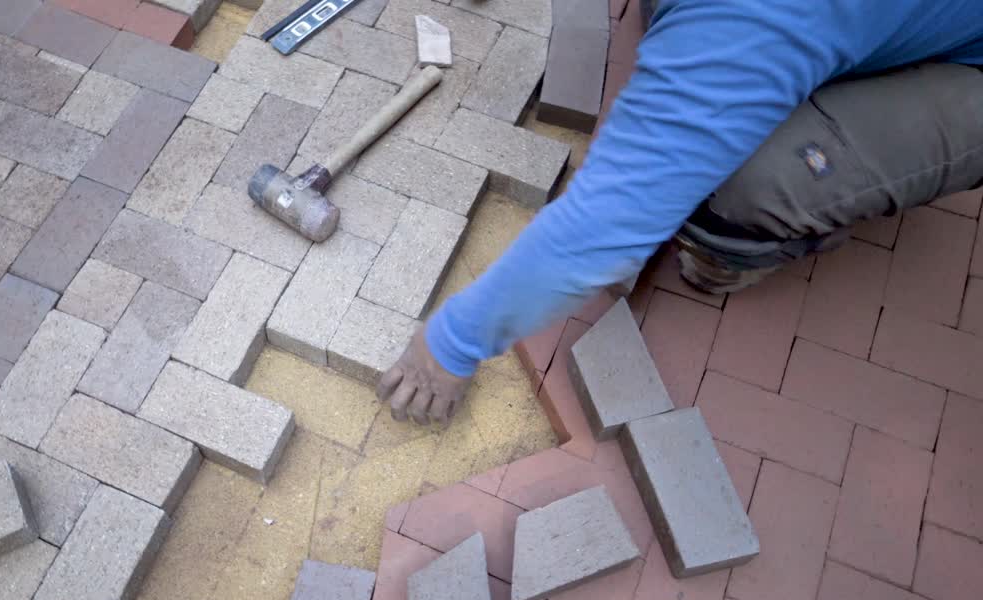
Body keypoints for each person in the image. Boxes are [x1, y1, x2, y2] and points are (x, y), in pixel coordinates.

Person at [378, 0, 983, 425]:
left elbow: (598, 233)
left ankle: (746, 234)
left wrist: (450, 344)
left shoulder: (745, 19)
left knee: (738, 187)